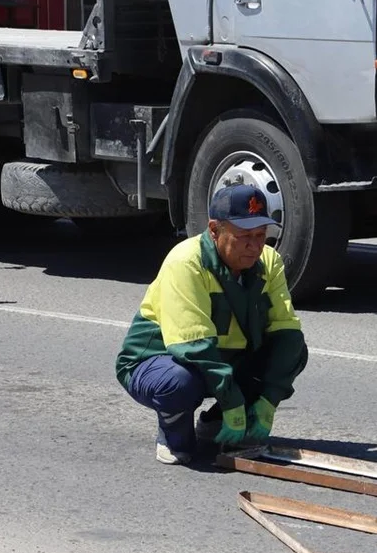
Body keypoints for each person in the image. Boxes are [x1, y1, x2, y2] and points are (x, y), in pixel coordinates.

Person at [115, 183, 308, 465]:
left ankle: (216, 425)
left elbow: (287, 333)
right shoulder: (186, 262)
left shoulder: (269, 262)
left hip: (219, 360)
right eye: (244, 236)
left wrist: (269, 400)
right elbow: (192, 346)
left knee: (292, 352)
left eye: (260, 235)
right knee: (180, 382)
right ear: (215, 231)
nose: (255, 246)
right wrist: (233, 403)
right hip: (161, 361)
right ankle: (174, 435)